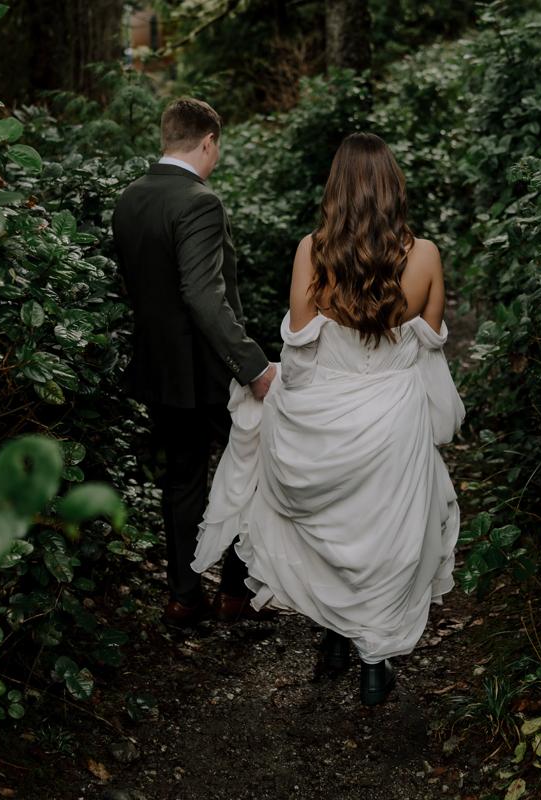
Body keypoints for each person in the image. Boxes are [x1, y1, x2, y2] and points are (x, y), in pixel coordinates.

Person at [191, 132, 465, 706]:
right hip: (392, 418)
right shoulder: (426, 256)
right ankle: (373, 662)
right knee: (385, 538)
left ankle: (335, 639)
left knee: (332, 531)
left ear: (335, 188)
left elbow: (299, 345)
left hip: (325, 414)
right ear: (394, 187)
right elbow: (431, 344)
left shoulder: (312, 252)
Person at [112, 98, 277, 628]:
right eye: (217, 147)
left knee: (181, 480)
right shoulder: (200, 202)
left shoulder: (131, 198)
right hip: (209, 372)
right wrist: (253, 366)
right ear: (208, 141)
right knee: (248, 472)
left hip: (158, 370)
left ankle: (184, 597)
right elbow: (204, 297)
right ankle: (233, 591)